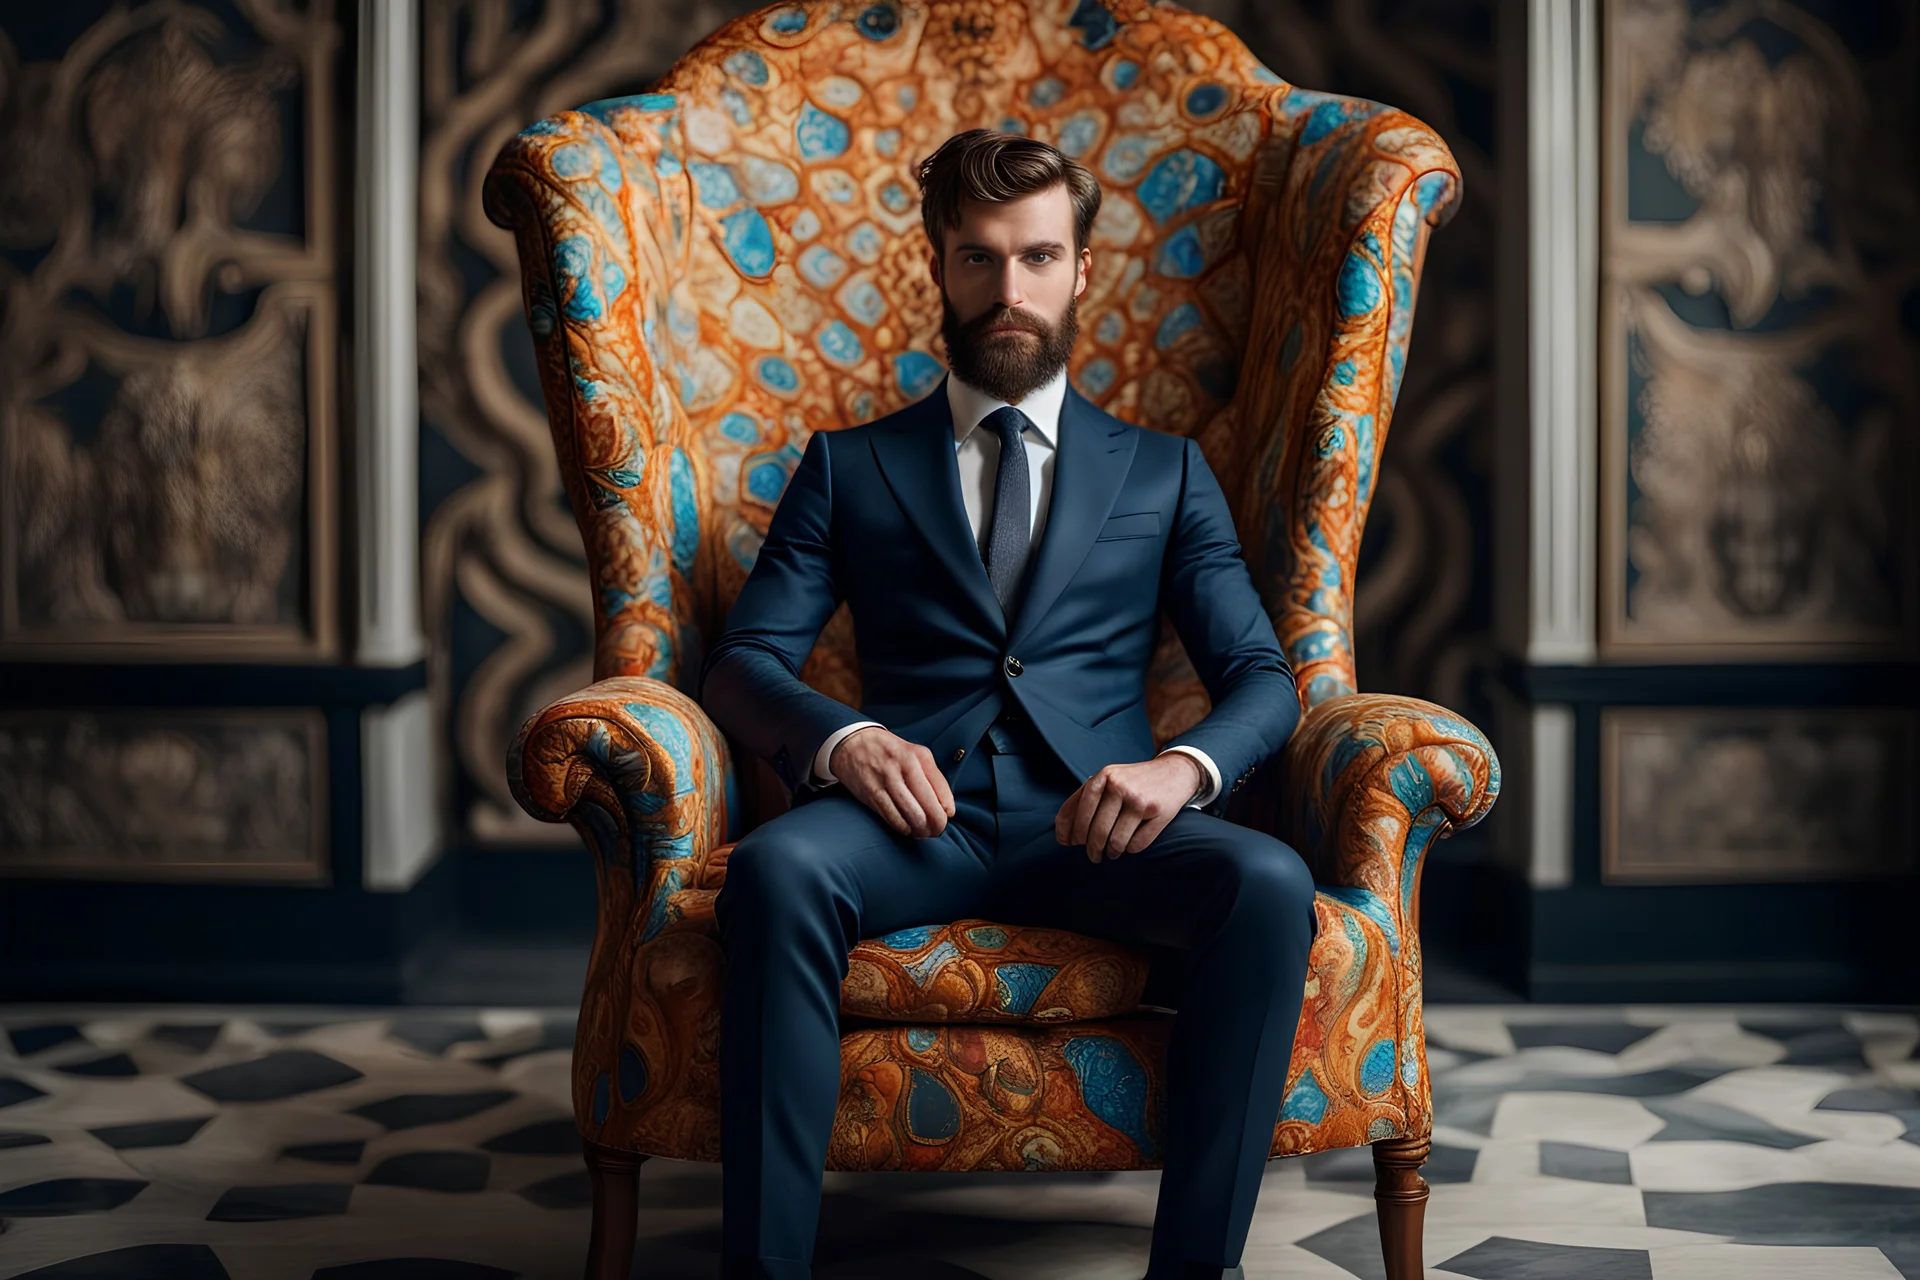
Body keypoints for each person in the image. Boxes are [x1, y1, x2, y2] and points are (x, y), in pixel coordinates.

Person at [698, 127, 1316, 1280]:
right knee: (777, 869)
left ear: (1082, 270)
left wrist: (1179, 770)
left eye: (1038, 257)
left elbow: (1266, 679)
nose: (1010, 289)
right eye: (980, 258)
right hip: (908, 821)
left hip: (1096, 825)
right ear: (939, 264)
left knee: (1269, 882)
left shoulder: (1166, 471)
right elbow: (742, 660)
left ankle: (1198, 1272)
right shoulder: (849, 465)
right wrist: (841, 737)